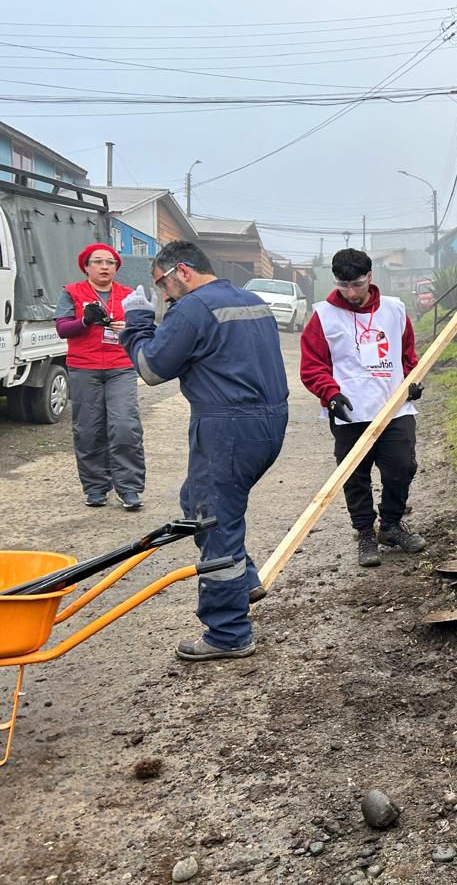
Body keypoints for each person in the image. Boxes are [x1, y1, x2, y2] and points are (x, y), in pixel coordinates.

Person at [119, 240, 289, 662]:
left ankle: (228, 633)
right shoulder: (251, 300)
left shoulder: (193, 307)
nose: (164, 294)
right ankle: (244, 581)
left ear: (182, 270)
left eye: (162, 283)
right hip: (268, 422)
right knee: (196, 502)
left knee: (214, 520)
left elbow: (152, 369)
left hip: (227, 425)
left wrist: (137, 323)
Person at [300, 248, 426, 566]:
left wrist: (413, 380)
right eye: (343, 285)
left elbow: (409, 354)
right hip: (349, 410)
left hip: (394, 407)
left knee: (401, 467)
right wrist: (329, 394)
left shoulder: (395, 310)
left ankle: (391, 525)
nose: (351, 292)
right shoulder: (323, 316)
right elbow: (312, 365)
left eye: (357, 284)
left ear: (370, 277)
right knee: (355, 475)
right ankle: (365, 534)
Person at [54, 243, 146, 510]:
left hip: (120, 367)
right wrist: (84, 321)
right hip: (84, 368)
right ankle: (95, 487)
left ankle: (129, 488)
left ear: (116, 267)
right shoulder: (71, 293)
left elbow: (144, 326)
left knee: (125, 425)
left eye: (110, 262)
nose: (105, 267)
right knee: (89, 429)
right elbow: (62, 328)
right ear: (86, 266)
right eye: (98, 262)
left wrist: (129, 327)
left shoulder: (128, 295)